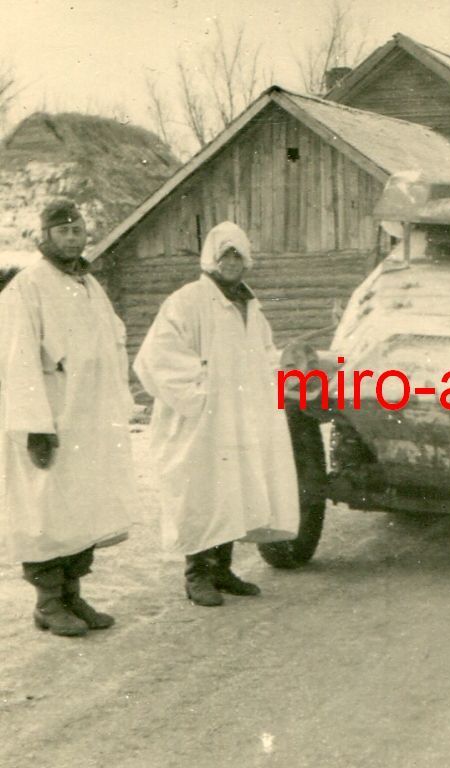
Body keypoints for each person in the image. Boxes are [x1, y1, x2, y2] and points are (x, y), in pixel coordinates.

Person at [133, 222, 299, 608]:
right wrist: (202, 392)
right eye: (225, 255)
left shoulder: (249, 305)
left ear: (247, 261)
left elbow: (262, 352)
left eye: (238, 255)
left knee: (232, 491)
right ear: (211, 258)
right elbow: (156, 357)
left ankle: (222, 569)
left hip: (239, 418)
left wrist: (280, 366)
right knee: (202, 492)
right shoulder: (187, 301)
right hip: (201, 420)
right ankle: (197, 574)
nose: (231, 262)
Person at [0, 199, 136, 637]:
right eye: (63, 231)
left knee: (80, 508)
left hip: (88, 420)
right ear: (45, 236)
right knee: (46, 510)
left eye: (77, 230)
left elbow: (113, 342)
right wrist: (35, 425)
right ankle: (48, 602)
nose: (72, 238)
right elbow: (16, 358)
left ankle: (73, 594)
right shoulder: (27, 288)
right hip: (50, 419)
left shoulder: (88, 285)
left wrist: (116, 403)